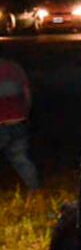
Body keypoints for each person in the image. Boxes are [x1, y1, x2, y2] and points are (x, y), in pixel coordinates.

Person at [0, 57, 39, 189]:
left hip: (2, 122)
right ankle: (34, 190)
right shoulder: (15, 67)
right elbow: (27, 92)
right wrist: (25, 112)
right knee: (21, 159)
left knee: (19, 158)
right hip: (19, 120)